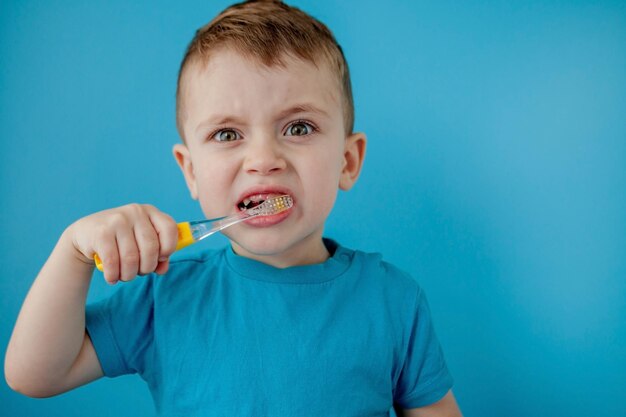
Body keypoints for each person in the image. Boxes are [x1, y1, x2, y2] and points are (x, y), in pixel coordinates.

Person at [5, 1, 462, 416]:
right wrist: (73, 254)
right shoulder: (165, 299)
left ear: (348, 160)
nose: (264, 159)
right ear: (191, 172)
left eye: (299, 127)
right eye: (227, 134)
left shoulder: (393, 301)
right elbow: (34, 375)